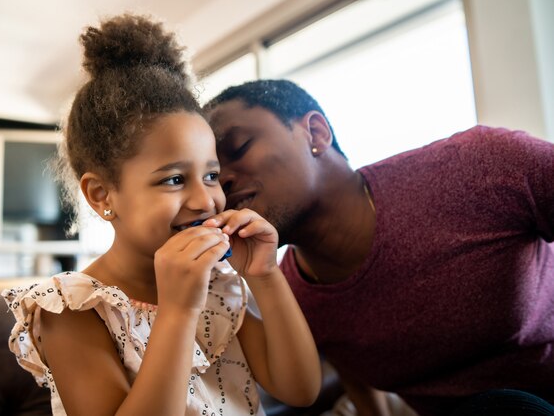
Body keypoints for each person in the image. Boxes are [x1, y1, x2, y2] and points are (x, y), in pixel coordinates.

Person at [2, 18, 321, 416]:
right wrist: (178, 312)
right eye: (173, 179)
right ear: (102, 194)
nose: (206, 200)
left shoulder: (218, 287)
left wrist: (266, 276)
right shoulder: (73, 310)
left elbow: (301, 389)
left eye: (211, 176)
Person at [203, 79, 554, 416]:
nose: (224, 181)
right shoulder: (294, 301)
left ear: (316, 134)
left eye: (238, 149)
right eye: (213, 174)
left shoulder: (480, 164)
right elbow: (353, 376)